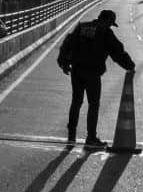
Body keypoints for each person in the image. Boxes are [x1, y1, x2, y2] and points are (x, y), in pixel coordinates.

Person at [57, 9, 135, 146]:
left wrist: (64, 62)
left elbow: (68, 43)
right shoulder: (105, 32)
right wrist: (130, 66)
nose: (111, 26)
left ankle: (71, 135)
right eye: (111, 23)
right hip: (92, 73)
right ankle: (91, 137)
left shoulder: (82, 27)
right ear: (108, 21)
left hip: (77, 70)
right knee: (93, 104)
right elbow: (118, 52)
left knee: (76, 102)